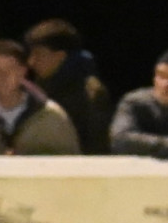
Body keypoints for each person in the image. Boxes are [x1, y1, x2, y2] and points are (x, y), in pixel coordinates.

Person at [0, 38, 81, 155]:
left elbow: (71, 160)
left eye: (9, 70)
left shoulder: (51, 116)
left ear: (23, 72)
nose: (1, 77)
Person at [23, 18, 113, 153]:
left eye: (38, 54)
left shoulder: (91, 93)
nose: (31, 62)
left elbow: (97, 148)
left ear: (60, 56)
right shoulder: (37, 88)